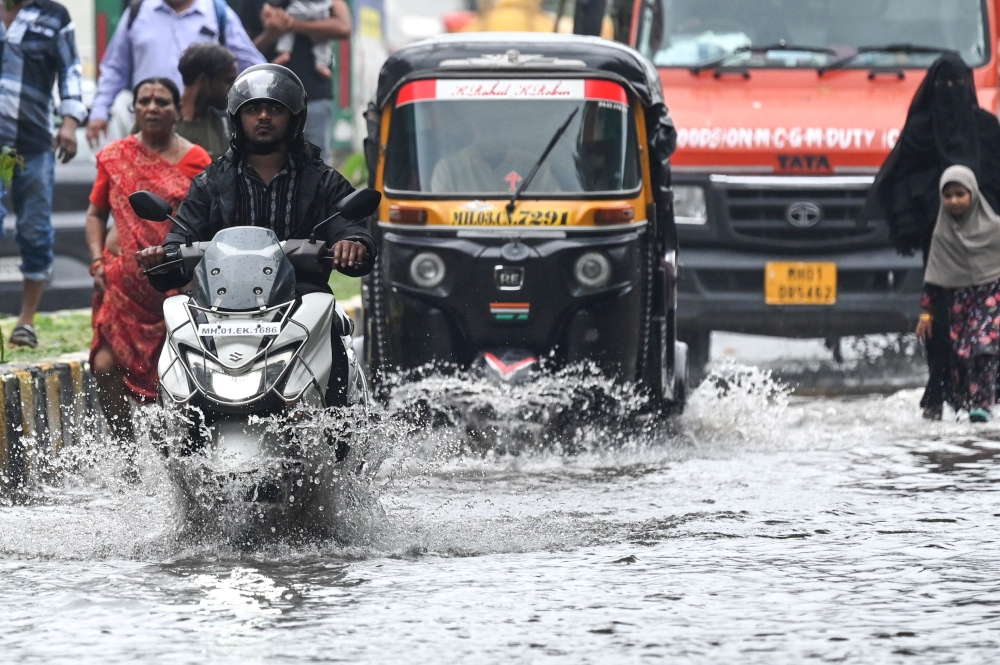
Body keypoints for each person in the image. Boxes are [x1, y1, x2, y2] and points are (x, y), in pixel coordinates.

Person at [135, 65, 375, 404]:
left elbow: (349, 226)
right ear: (237, 118)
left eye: (275, 108)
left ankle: (339, 428)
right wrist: (162, 256)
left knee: (330, 322)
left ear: (295, 117)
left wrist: (355, 243)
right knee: (179, 321)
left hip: (300, 301)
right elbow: (180, 238)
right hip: (220, 307)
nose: (263, 116)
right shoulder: (211, 182)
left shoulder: (322, 180)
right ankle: (180, 427)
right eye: (253, 109)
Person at [865, 53, 1000, 420]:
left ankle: (982, 398)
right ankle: (941, 393)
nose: (951, 94)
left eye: (958, 86)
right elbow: (903, 185)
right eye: (944, 87)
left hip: (988, 253)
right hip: (938, 249)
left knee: (986, 330)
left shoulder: (987, 131)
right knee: (941, 326)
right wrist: (928, 215)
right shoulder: (919, 132)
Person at [86, 78, 212, 442]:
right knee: (104, 366)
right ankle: (127, 454)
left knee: (178, 373)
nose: (152, 107)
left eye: (161, 101)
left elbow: (207, 223)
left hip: (175, 289)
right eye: (144, 100)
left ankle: (180, 451)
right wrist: (97, 261)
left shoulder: (197, 160)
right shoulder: (115, 157)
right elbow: (95, 214)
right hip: (121, 292)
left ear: (177, 111)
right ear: (135, 109)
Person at [0, 0, 87, 348]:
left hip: (33, 143)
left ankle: (26, 321)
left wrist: (69, 122)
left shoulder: (54, 16)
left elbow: (70, 70)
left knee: (34, 230)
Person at [86, 0, 265, 148]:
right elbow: (115, 68)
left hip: (203, 125)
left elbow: (251, 64)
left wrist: (266, 101)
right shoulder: (138, 11)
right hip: (149, 125)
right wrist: (99, 111)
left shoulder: (217, 11)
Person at [917, 166, 1000, 423]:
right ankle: (968, 404)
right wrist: (926, 314)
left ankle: (983, 405)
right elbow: (933, 278)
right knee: (963, 354)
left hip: (990, 302)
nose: (953, 201)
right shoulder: (943, 235)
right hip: (959, 305)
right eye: (948, 195)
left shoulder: (996, 228)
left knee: (983, 348)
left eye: (959, 194)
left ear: (972, 194)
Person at [236, 0, 351, 163]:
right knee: (266, 163)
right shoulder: (252, 4)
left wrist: (292, 24)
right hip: (266, 99)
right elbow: (243, 55)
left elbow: (343, 26)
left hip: (313, 95)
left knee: (315, 165)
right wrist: (272, 33)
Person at [176, 43, 239, 160]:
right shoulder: (161, 121)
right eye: (228, 81)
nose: (234, 89)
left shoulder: (229, 125)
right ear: (203, 80)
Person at [271, 0, 335, 80]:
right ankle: (322, 64)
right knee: (323, 41)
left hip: (300, 8)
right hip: (321, 10)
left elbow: (343, 28)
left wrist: (295, 25)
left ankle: (283, 52)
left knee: (287, 25)